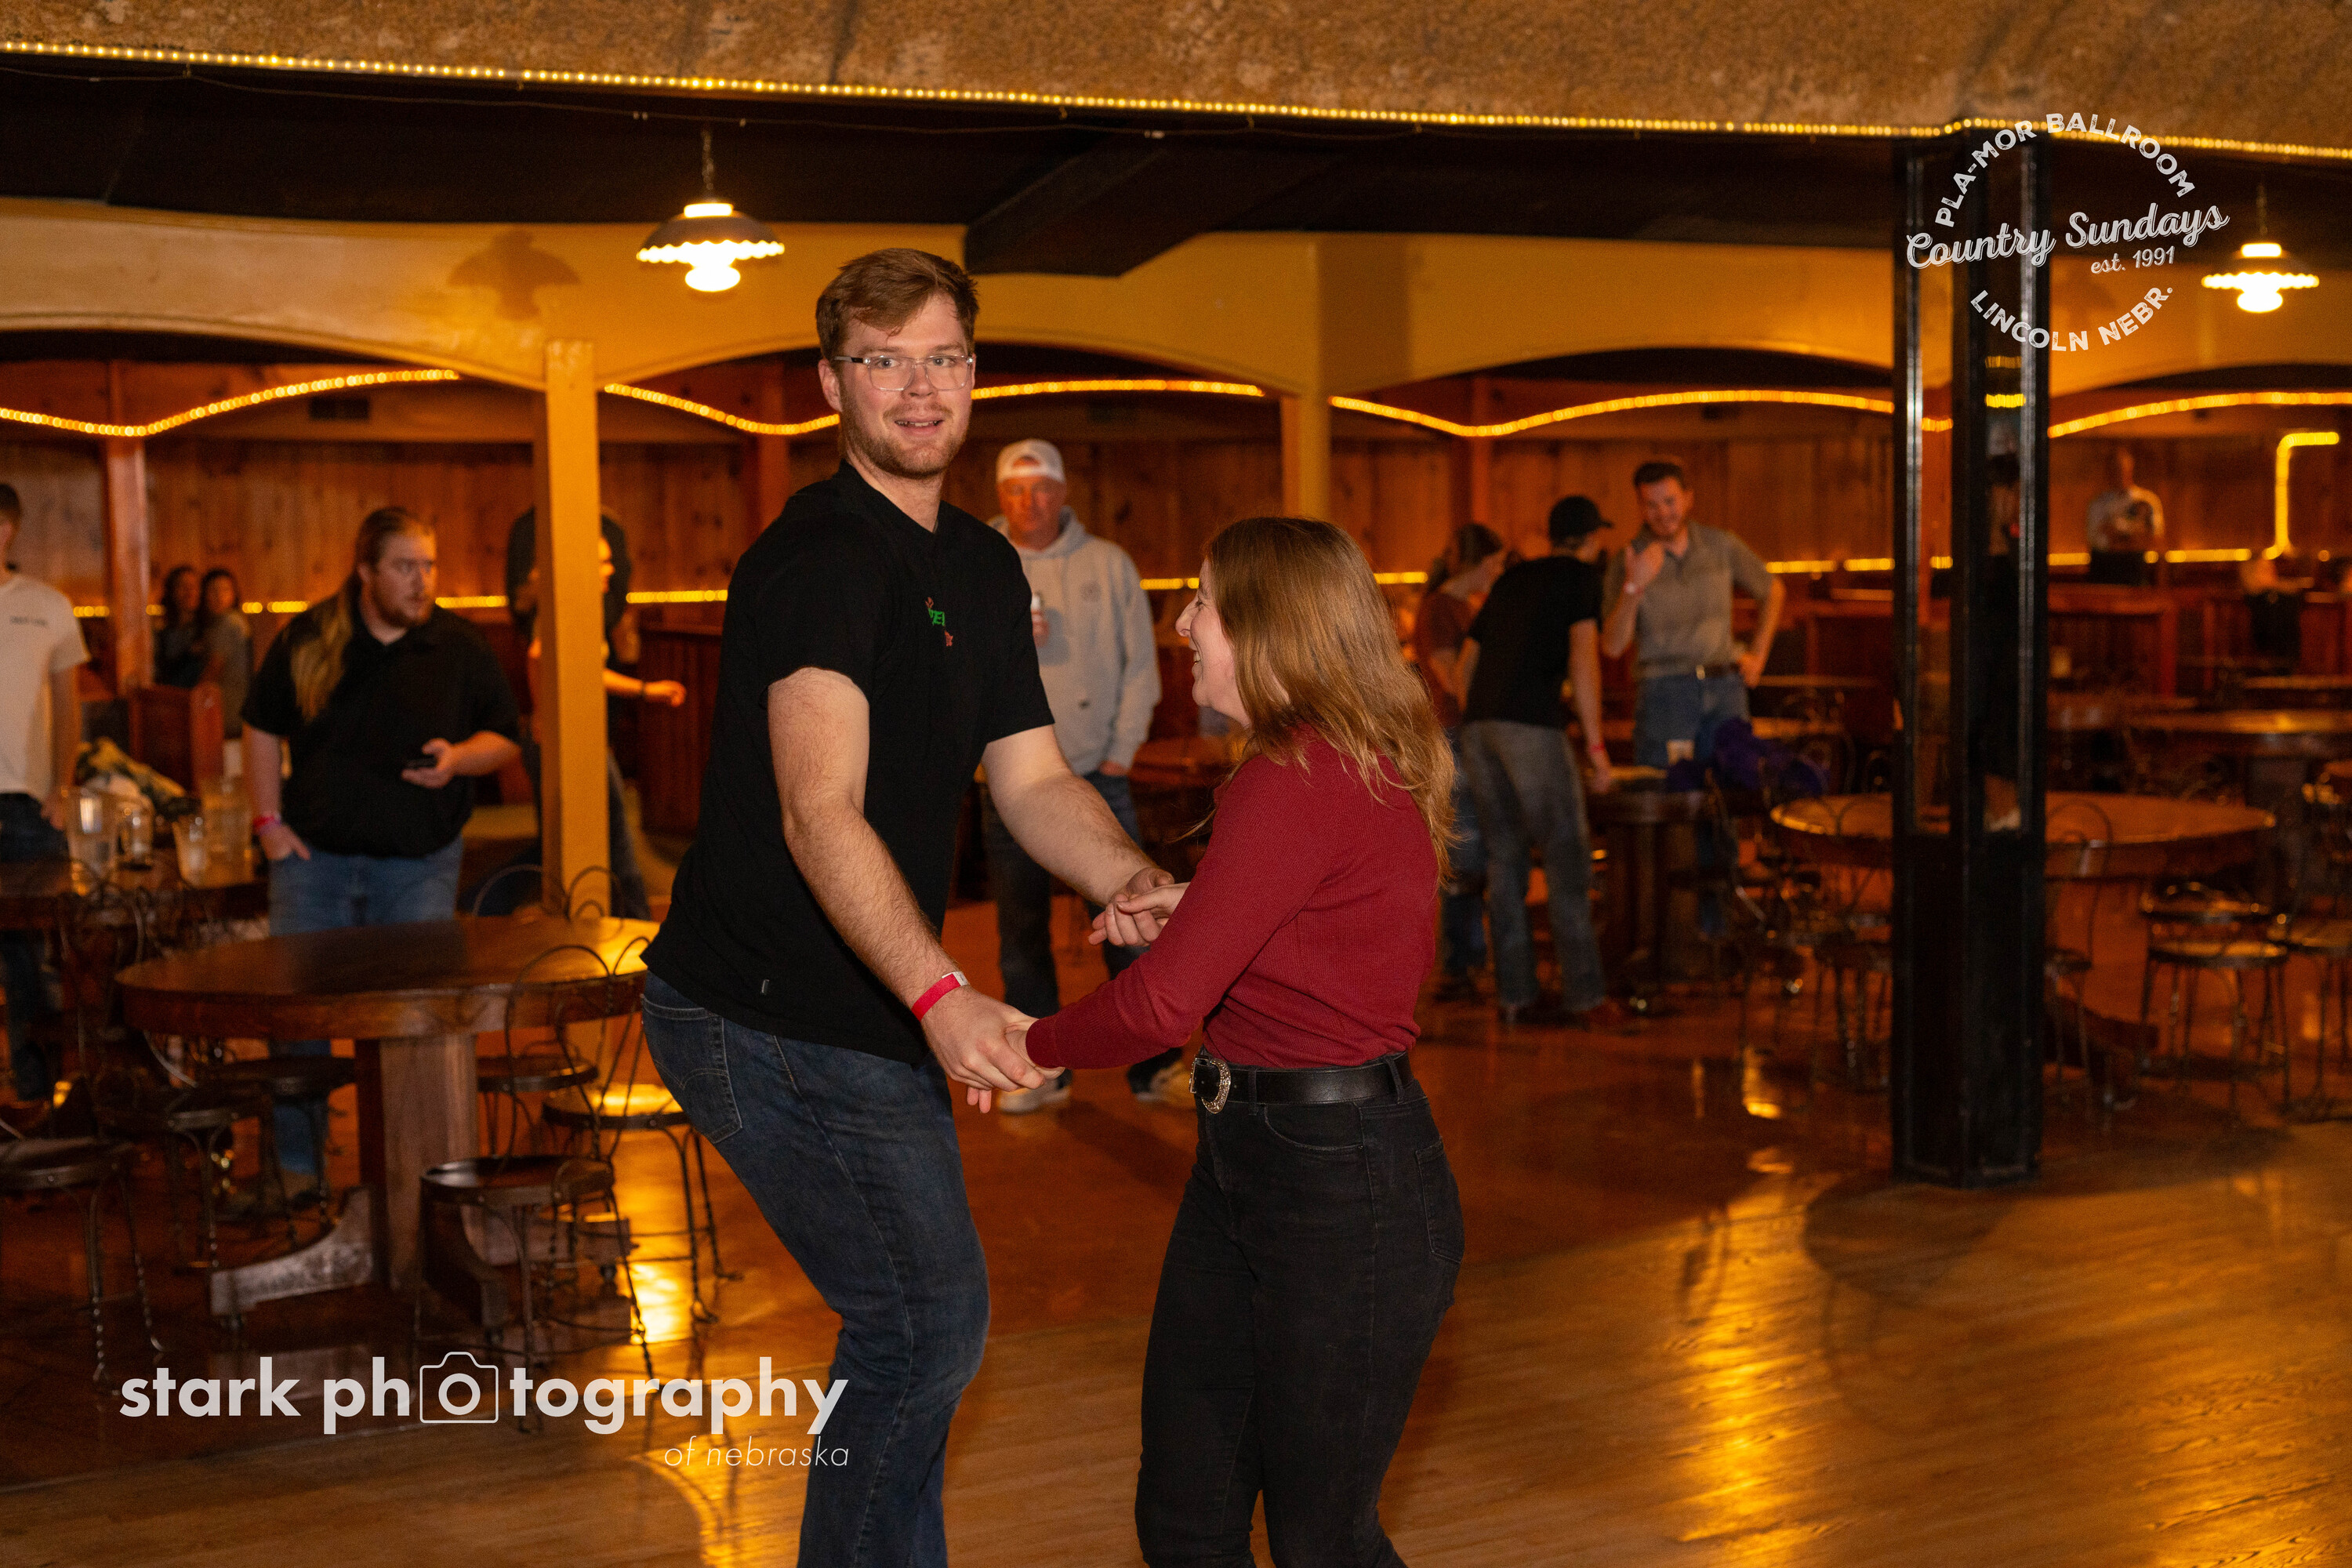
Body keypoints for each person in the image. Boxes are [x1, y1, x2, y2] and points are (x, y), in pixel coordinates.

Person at [638, 249, 1171, 1568]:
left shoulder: (983, 566)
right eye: (885, 362)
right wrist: (942, 995)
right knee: (923, 1324)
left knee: (915, 1334)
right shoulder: (819, 561)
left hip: (864, 1007)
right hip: (756, 1013)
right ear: (834, 385)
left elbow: (1033, 781)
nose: (919, 389)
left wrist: (1128, 877)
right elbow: (820, 813)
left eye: (943, 359)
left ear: (975, 375)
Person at [1014, 514, 1465, 1568]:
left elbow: (1160, 1009)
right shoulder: (1325, 763)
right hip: (1253, 1163)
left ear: (1269, 626)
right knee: (1187, 1514)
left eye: (1205, 603)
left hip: (1340, 1185)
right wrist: (1199, 905)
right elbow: (1332, 922)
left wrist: (1029, 1041)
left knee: (1321, 1543)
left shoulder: (1296, 773)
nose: (1182, 623)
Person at [241, 506, 521, 1198]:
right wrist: (268, 823)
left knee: (415, 1020)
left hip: (419, 865)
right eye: (404, 567)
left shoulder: (457, 644)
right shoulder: (310, 637)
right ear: (366, 571)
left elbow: (506, 738)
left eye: (429, 565)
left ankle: (417, 1176)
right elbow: (259, 726)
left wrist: (458, 758)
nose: (422, 581)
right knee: (298, 1022)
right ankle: (298, 1173)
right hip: (315, 864)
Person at [979, 437, 1172, 1112]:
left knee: (1131, 924)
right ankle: (1040, 1069)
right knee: (1020, 934)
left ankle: (1156, 1065)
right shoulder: (974, 562)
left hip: (1096, 774)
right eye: (1015, 489)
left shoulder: (1107, 563)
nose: (1029, 501)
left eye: (1041, 488)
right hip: (1006, 780)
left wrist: (1123, 748)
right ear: (999, 496)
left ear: (1062, 493)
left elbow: (1140, 664)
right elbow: (940, 657)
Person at [1455, 497, 1624, 1029]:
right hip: (1531, 727)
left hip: (1479, 727)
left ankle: (1515, 995)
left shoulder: (1512, 579)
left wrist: (1485, 717)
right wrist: (1596, 751)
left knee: (1505, 861)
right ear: (1592, 539)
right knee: (1566, 859)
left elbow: (1465, 666)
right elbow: (1585, 661)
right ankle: (1585, 996)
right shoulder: (1580, 578)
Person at [522, 534, 686, 920]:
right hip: (572, 743)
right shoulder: (569, 608)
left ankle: (622, 925)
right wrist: (544, 716)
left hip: (576, 740)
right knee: (612, 844)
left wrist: (645, 690)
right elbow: (539, 656)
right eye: (603, 562)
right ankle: (640, 930)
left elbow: (583, 671)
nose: (611, 569)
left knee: (576, 843)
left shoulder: (574, 605)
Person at [1601, 459, 1784, 768]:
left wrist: (1759, 655)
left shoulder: (1721, 545)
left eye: (1669, 501)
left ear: (1688, 498)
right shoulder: (1628, 560)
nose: (1662, 513)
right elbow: (1613, 646)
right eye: (1651, 505)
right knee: (1671, 789)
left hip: (1726, 687)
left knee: (1735, 784)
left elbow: (1773, 590)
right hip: (1664, 692)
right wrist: (1634, 586)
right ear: (1640, 507)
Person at [0, 483, 85, 1112]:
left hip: (28, 805)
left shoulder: (48, 606)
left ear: (7, 529)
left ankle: (40, 1100)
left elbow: (69, 704)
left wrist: (63, 786)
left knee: (34, 956)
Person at [1414, 522, 1506, 1001]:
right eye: (1496, 563)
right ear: (1480, 562)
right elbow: (1450, 679)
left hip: (1465, 733)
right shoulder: (1440, 609)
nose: (1499, 571)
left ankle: (1469, 959)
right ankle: (1458, 964)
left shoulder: (1462, 607)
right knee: (1464, 848)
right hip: (1450, 734)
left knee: (1474, 846)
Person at [2086, 448, 2164, 586]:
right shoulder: (2098, 504)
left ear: (2131, 469)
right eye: (2114, 469)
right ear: (2108, 472)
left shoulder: (2148, 501)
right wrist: (2131, 537)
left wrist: (2117, 536)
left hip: (2137, 573)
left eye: (2121, 469)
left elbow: (2154, 539)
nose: (2119, 474)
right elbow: (2097, 542)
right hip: (2105, 575)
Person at [198, 568, 254, 740]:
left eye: (225, 590)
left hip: (228, 711)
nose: (219, 596)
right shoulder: (220, 623)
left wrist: (192, 700)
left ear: (234, 594)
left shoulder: (229, 622)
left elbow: (214, 668)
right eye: (213, 590)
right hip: (234, 710)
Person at [154, 564, 208, 688]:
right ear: (172, 591)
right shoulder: (162, 631)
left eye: (194, 586)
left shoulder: (208, 628)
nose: (190, 592)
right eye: (182, 586)